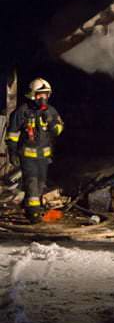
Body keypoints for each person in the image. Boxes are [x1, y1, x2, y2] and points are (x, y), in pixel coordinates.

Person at [5, 78, 64, 223]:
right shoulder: (23, 111)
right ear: (32, 95)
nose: (42, 98)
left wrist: (50, 121)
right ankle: (34, 215)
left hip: (43, 157)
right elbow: (12, 134)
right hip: (27, 156)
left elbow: (58, 130)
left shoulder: (51, 111)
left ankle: (29, 208)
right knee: (32, 183)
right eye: (39, 94)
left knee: (40, 184)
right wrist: (12, 152)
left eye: (45, 94)